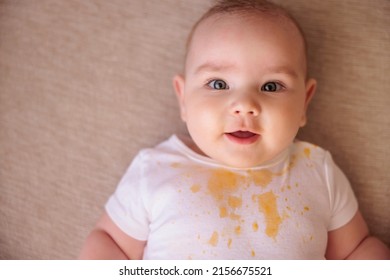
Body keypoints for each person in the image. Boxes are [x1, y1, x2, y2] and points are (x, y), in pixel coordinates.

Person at [79, 0, 390, 259]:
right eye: (218, 84)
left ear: (304, 104)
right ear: (183, 98)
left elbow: (357, 251)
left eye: (271, 85)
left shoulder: (318, 170)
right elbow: (108, 242)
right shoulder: (154, 170)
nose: (244, 104)